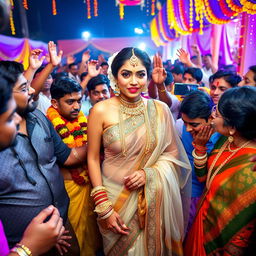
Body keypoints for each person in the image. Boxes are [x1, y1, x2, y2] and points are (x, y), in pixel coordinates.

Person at [87, 47, 191, 255]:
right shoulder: (100, 111)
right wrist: (103, 205)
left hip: (152, 199)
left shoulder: (160, 110)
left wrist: (149, 174)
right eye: (126, 74)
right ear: (115, 77)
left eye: (140, 74)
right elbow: (91, 158)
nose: (134, 82)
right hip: (113, 200)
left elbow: (173, 155)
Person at [0, 60, 87, 254]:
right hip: (20, 242)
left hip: (62, 225)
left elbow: (68, 156)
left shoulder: (39, 118)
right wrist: (28, 245)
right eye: (24, 88)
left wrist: (99, 140)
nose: (32, 91)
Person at [184, 86, 256, 255]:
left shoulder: (252, 163)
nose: (212, 116)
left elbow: (248, 214)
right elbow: (204, 179)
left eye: (218, 113)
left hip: (223, 242)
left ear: (233, 125)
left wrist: (235, 247)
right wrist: (201, 147)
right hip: (201, 224)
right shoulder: (225, 141)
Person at [47, 76, 102, 255]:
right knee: (74, 237)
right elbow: (67, 157)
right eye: (70, 102)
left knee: (90, 233)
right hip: (67, 189)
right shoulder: (48, 125)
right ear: (54, 103)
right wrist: (96, 141)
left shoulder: (83, 120)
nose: (76, 106)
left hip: (88, 185)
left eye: (78, 101)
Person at [179, 91, 221, 232]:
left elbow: (203, 177)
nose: (188, 128)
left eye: (194, 124)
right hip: (181, 192)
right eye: (185, 122)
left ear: (210, 118)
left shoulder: (222, 138)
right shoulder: (181, 128)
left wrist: (200, 148)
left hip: (204, 197)